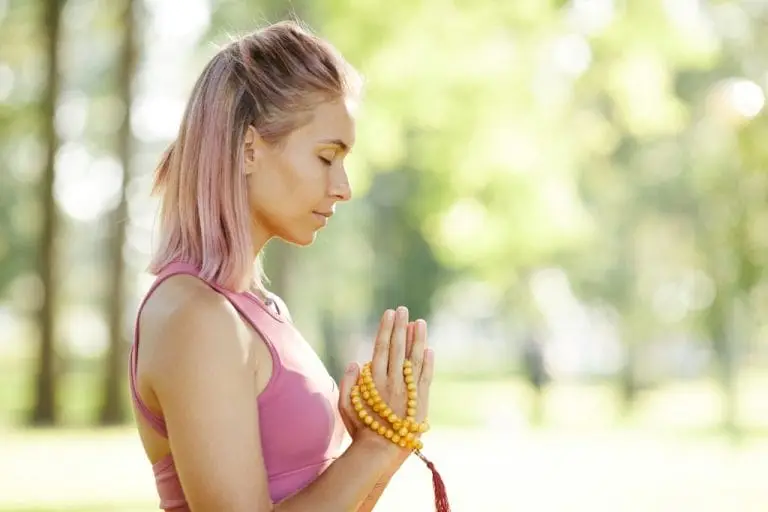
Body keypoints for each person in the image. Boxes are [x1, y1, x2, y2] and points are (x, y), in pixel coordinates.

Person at [128, 20, 436, 512]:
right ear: (250, 149)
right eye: (326, 156)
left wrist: (380, 452)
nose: (344, 186)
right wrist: (375, 447)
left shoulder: (260, 310)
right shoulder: (196, 317)